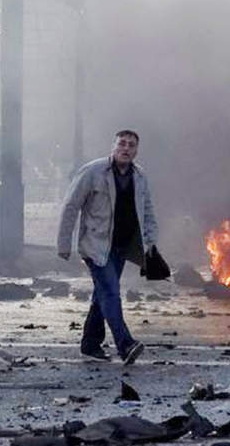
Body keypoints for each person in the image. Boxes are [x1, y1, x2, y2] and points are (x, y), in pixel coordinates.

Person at [57, 129, 158, 363]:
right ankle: (126, 344)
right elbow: (71, 206)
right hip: (95, 245)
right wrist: (64, 243)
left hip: (121, 246)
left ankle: (90, 345)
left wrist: (150, 241)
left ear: (136, 151)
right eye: (122, 144)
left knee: (102, 294)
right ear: (113, 147)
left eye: (131, 145)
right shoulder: (93, 171)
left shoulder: (139, 176)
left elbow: (147, 210)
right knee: (111, 292)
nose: (126, 148)